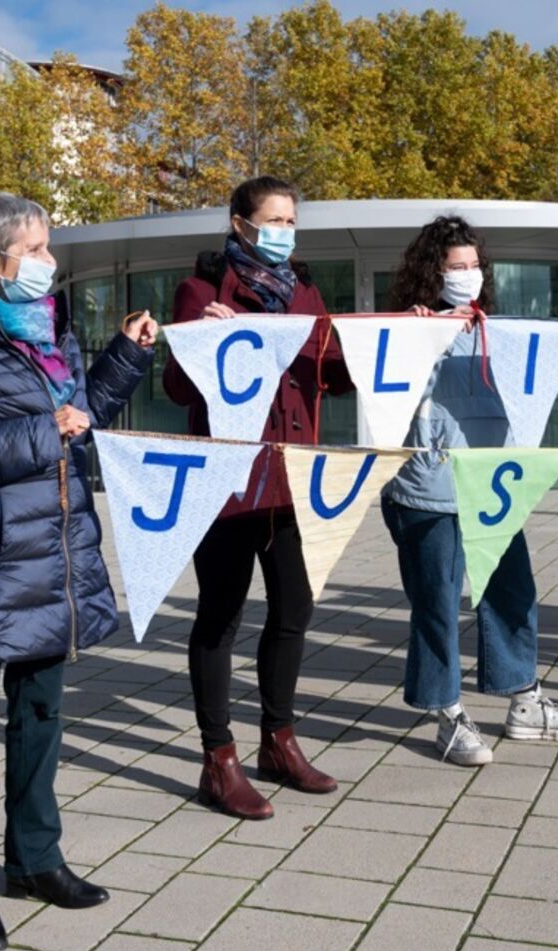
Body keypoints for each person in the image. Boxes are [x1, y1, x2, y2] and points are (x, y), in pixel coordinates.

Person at [0, 193, 156, 951]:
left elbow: (80, 417)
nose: (49, 261)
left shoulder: (50, 329)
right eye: (35, 248)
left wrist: (124, 356)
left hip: (52, 554)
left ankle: (35, 858)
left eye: (48, 246)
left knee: (42, 712)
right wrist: (42, 430)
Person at [164, 176, 353, 820]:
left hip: (291, 477)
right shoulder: (201, 290)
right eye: (273, 220)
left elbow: (335, 374)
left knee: (294, 608)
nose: (284, 231)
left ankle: (279, 740)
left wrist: (398, 339)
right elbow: (177, 389)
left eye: (291, 221)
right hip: (226, 480)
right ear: (240, 223)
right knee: (220, 616)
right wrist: (203, 342)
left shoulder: (304, 291)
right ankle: (219, 759)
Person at [380, 215, 558, 765]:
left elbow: (540, 389)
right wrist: (423, 339)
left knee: (512, 594)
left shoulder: (495, 330)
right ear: (432, 273)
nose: (468, 275)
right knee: (437, 605)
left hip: (494, 487)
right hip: (430, 489)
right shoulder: (406, 329)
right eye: (457, 266)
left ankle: (523, 698)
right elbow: (392, 397)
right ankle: (446, 711)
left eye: (475, 265)